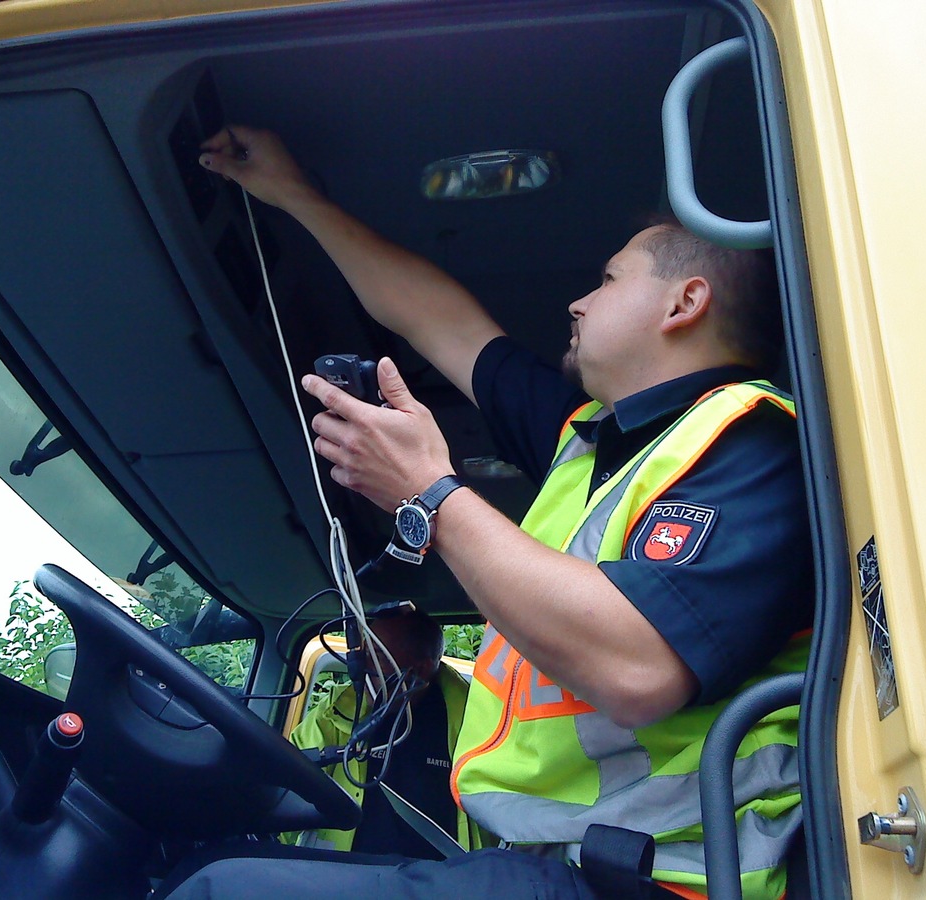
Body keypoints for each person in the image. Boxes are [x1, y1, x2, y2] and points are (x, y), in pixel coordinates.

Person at [169, 127, 814, 899]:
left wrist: (430, 495)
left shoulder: (754, 442)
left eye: (608, 279)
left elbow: (640, 669)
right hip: (551, 868)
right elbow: (439, 321)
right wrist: (292, 194)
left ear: (685, 302)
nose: (578, 300)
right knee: (208, 873)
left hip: (667, 884)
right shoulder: (592, 440)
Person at [287, 608, 490, 856]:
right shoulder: (336, 712)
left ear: (421, 670)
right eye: (365, 655)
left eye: (378, 656)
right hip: (344, 878)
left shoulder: (477, 724)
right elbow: (285, 786)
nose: (363, 668)